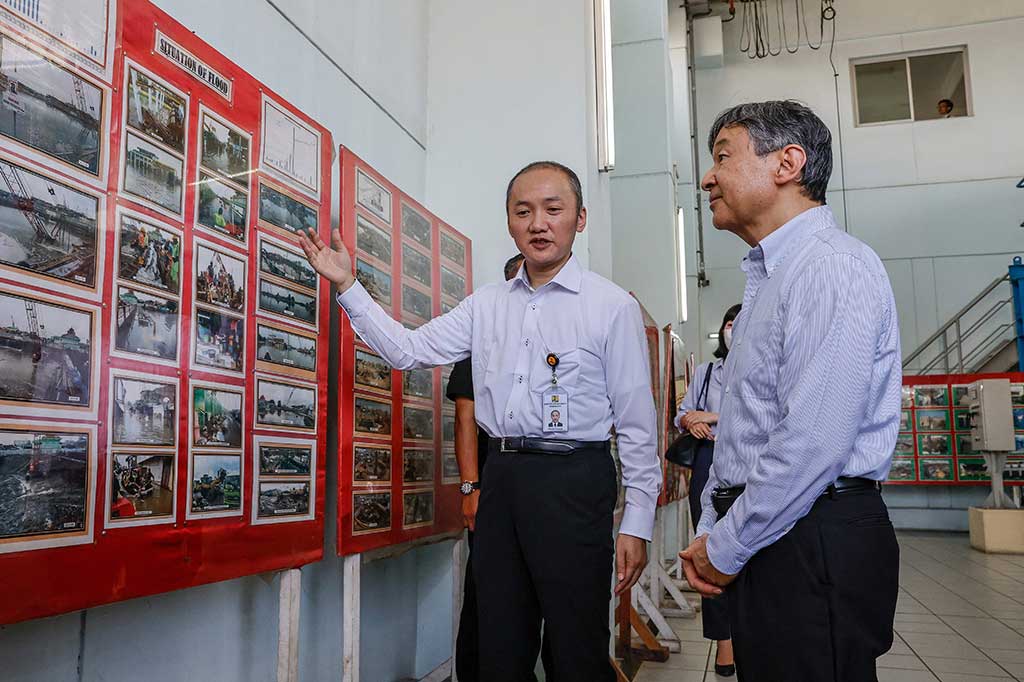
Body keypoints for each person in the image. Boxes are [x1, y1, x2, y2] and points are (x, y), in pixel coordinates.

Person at [300, 161, 661, 681]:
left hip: (575, 481)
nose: (538, 223)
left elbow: (636, 425)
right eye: (523, 211)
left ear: (579, 219)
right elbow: (407, 350)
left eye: (553, 210)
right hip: (502, 479)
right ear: (510, 222)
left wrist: (637, 522)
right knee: (498, 643)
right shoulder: (485, 305)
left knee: (576, 646)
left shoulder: (610, 307)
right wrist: (348, 285)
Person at [679, 101, 901, 681]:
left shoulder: (831, 266)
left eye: (722, 157)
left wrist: (724, 546)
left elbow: (812, 441)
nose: (707, 178)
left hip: (811, 533)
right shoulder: (770, 279)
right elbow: (748, 429)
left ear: (787, 163)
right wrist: (713, 526)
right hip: (774, 528)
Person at [445, 251, 553, 681]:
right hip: (494, 487)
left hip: (551, 488)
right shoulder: (483, 337)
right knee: (489, 598)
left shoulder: (558, 337)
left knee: (551, 597)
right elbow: (465, 417)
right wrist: (470, 488)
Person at [674, 303, 740, 678]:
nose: (733, 329)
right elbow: (683, 412)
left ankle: (755, 633)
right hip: (707, 459)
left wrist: (713, 416)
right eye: (729, 323)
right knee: (709, 548)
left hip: (749, 462)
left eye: (740, 323)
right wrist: (690, 421)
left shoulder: (762, 368)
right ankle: (724, 643)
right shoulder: (706, 372)